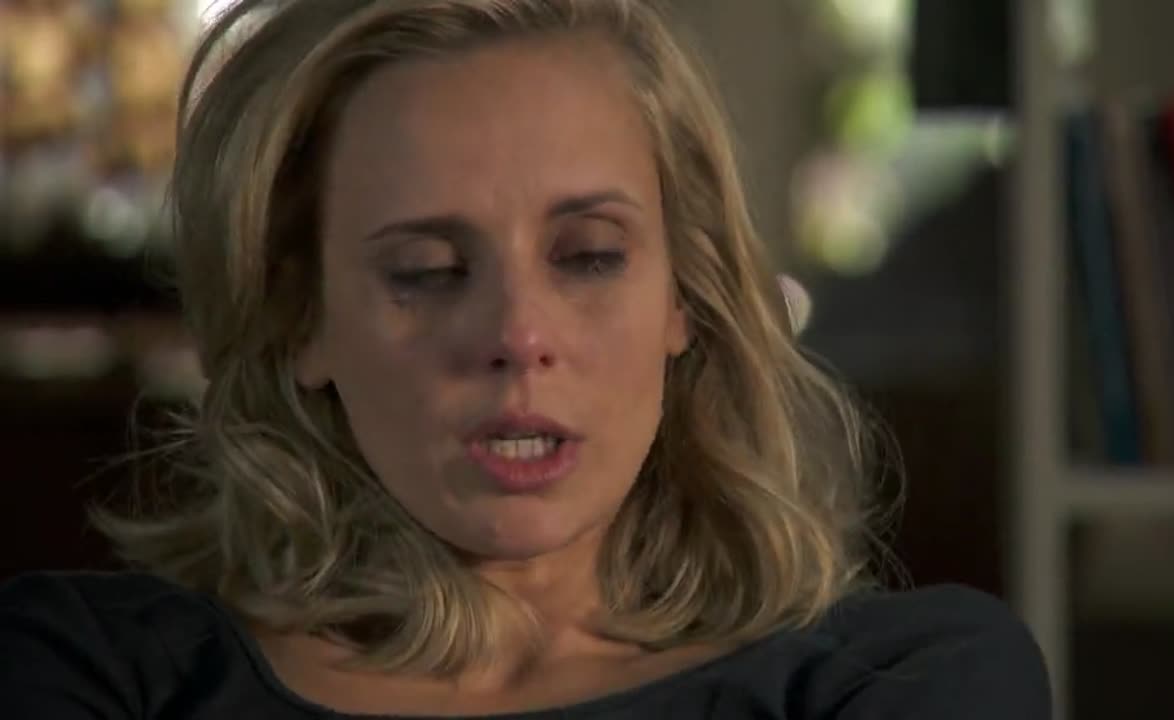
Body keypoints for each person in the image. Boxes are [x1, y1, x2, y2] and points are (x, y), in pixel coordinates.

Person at [0, 1, 1051, 717]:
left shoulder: (894, 681)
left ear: (683, 295)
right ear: (302, 320)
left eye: (588, 256)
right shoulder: (97, 672)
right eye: (426, 271)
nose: (516, 337)